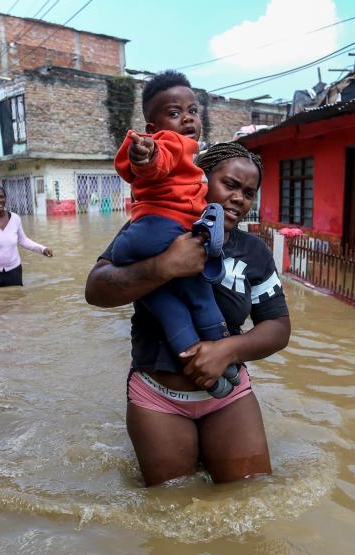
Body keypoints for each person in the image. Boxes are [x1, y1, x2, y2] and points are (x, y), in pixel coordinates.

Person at [85, 143, 291, 487]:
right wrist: (162, 266)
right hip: (157, 398)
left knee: (250, 494)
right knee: (169, 506)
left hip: (229, 396)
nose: (239, 198)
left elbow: (279, 327)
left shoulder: (253, 251)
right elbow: (96, 290)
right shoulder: (155, 228)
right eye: (229, 184)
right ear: (200, 180)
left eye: (249, 192)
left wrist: (227, 350)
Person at [111, 70, 238, 398]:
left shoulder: (189, 157)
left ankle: (217, 372)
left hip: (163, 232)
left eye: (193, 111)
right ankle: (226, 367)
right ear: (153, 128)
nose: (187, 118)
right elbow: (156, 161)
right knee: (197, 295)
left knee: (168, 300)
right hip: (161, 227)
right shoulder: (170, 144)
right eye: (174, 112)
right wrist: (145, 155)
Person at [0, 185, 52, 288]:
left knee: (16, 300)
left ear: (5, 198)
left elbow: (23, 240)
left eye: (1, 197)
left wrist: (42, 249)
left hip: (14, 270)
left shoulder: (15, 218)